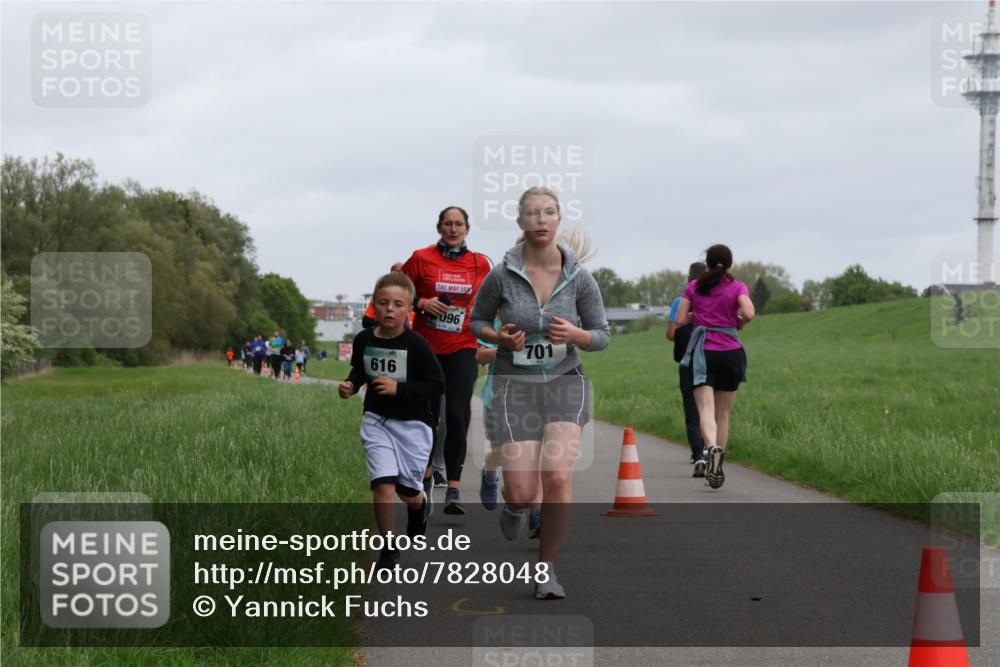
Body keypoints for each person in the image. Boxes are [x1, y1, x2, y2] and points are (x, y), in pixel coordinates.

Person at [470, 186, 610, 599]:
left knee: (557, 476)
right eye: (533, 213)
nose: (541, 220)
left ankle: (546, 571)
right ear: (521, 221)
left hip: (566, 381)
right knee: (522, 491)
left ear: (558, 219)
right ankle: (515, 508)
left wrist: (577, 334)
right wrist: (499, 338)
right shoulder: (501, 274)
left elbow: (602, 336)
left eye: (549, 212)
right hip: (515, 386)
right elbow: (477, 321)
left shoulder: (580, 278)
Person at [339, 271, 445, 569]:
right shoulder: (363, 339)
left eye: (398, 304)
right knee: (383, 485)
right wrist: (351, 384)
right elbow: (359, 371)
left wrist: (400, 389)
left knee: (406, 491)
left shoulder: (417, 345)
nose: (390, 309)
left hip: (413, 425)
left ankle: (419, 504)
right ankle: (388, 550)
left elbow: (437, 385)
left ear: (409, 309)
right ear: (374, 305)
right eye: (383, 303)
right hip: (377, 420)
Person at [402, 206, 491, 515]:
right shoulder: (421, 258)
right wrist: (421, 302)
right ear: (439, 227)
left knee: (456, 413)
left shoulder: (480, 263)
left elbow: (490, 301)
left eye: (459, 224)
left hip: (463, 346)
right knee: (427, 417)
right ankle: (425, 476)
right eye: (448, 224)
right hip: (426, 347)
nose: (453, 229)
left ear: (467, 229)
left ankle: (453, 488)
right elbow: (397, 290)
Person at [673, 244, 755, 490]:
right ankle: (719, 457)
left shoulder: (694, 287)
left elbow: (679, 320)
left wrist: (696, 317)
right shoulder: (738, 286)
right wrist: (737, 323)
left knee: (705, 410)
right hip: (731, 353)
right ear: (729, 264)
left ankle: (710, 449)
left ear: (707, 264)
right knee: (724, 414)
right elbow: (749, 313)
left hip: (703, 354)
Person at [667, 261, 708, 477]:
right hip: (712, 358)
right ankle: (712, 448)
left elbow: (671, 334)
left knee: (692, 410)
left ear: (688, 278)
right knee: (710, 409)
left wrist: (683, 327)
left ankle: (698, 454)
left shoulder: (679, 301)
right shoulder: (714, 298)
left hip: (687, 361)